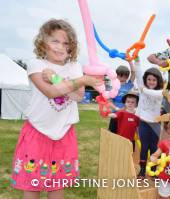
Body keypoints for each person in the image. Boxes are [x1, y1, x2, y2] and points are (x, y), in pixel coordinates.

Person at [10, 19, 101, 199]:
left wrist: (57, 79)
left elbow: (78, 96)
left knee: (57, 183)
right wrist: (80, 80)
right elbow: (50, 92)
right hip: (37, 131)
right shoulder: (36, 64)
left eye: (66, 43)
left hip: (64, 133)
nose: (60, 47)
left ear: (71, 47)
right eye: (55, 41)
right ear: (43, 42)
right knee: (32, 183)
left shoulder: (74, 66)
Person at [134, 59, 164, 179]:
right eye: (149, 79)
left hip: (155, 125)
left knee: (154, 148)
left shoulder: (161, 92)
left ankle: (153, 170)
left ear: (158, 81)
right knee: (144, 147)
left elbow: (156, 94)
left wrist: (144, 90)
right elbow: (138, 72)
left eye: (154, 80)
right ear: (145, 80)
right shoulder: (142, 87)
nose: (151, 82)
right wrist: (137, 61)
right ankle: (142, 171)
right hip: (144, 124)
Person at [108, 62, 135, 133]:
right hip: (115, 114)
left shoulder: (129, 85)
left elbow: (133, 72)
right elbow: (109, 102)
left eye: (125, 76)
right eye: (119, 75)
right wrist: (117, 108)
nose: (122, 78)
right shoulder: (113, 87)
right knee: (113, 134)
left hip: (126, 114)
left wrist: (130, 62)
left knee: (124, 134)